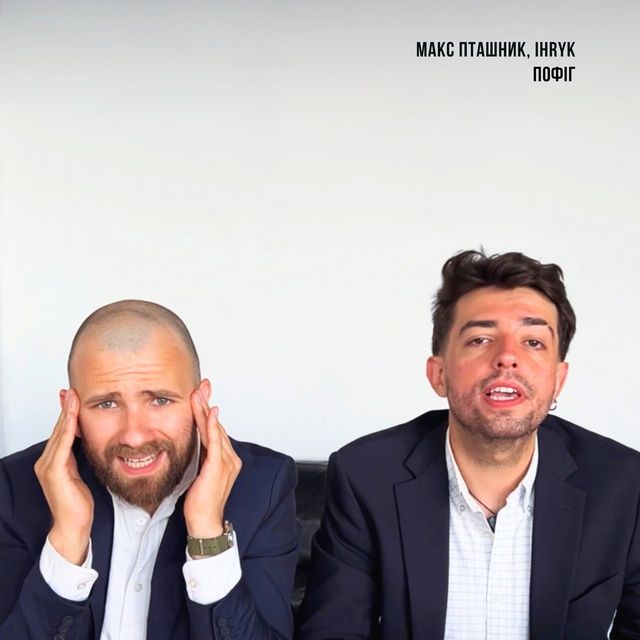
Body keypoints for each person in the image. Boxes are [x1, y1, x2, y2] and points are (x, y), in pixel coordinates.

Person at [298, 250, 640, 639]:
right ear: (439, 374)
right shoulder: (365, 476)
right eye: (480, 339)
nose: (507, 357)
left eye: (533, 341)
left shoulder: (622, 484)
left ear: (558, 380)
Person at [0, 300, 298, 640]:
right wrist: (68, 540)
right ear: (72, 410)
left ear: (200, 401)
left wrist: (208, 535)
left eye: (160, 400)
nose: (135, 435)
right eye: (107, 404)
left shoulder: (263, 486)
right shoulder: (15, 486)